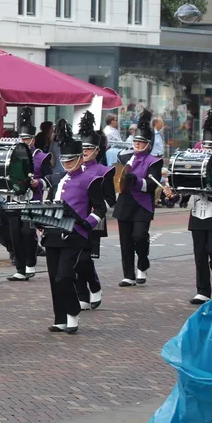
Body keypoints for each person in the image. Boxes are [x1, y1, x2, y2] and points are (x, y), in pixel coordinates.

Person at [165, 110, 212, 305]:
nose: (208, 149)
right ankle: (202, 290)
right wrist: (172, 195)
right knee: (199, 254)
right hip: (197, 215)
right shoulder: (192, 164)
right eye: (206, 145)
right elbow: (183, 192)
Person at [41, 119, 106, 334]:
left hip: (76, 234)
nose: (67, 164)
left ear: (79, 158)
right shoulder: (57, 179)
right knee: (53, 278)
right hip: (52, 233)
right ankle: (60, 317)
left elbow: (99, 209)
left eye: (71, 161)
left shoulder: (91, 179)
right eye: (64, 161)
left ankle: (73, 313)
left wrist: (87, 224)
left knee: (64, 276)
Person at [112, 109, 163, 287]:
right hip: (125, 202)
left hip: (143, 204)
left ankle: (142, 262)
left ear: (148, 145)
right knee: (125, 240)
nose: (138, 145)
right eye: (136, 141)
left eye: (142, 143)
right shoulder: (123, 156)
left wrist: (137, 180)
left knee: (139, 236)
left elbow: (151, 186)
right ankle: (128, 275)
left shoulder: (154, 162)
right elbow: (117, 177)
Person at [7, 107, 51, 281]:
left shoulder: (42, 157)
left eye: (28, 138)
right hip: (14, 198)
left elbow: (49, 178)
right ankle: (19, 267)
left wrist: (38, 182)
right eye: (22, 138)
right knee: (15, 233)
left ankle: (30, 263)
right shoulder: (12, 155)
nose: (25, 141)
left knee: (27, 232)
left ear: (33, 139)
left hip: (33, 199)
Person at [77, 112, 114, 310]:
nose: (85, 151)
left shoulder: (104, 171)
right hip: (74, 219)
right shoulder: (73, 170)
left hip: (93, 219)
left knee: (85, 259)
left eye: (89, 148)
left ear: (97, 150)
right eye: (82, 148)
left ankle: (94, 285)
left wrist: (96, 211)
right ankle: (82, 295)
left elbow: (110, 198)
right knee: (74, 259)